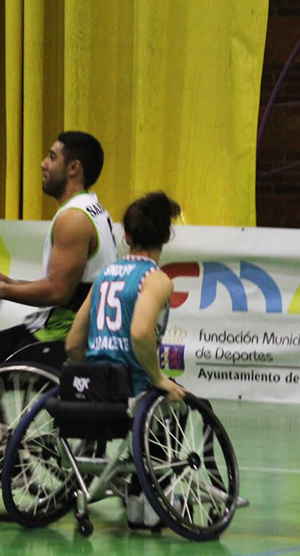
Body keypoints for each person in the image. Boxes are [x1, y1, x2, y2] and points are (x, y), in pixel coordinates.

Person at [0, 131, 118, 378]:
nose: (43, 164)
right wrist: (6, 282)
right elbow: (71, 286)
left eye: (52, 157)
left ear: (73, 168)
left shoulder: (73, 219)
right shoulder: (92, 208)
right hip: (78, 330)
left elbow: (58, 292)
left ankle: (1, 420)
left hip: (63, 336)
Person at [64, 191, 186, 530]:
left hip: (94, 391)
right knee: (176, 400)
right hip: (131, 391)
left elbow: (74, 341)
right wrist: (159, 378)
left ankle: (137, 495)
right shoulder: (157, 280)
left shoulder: (104, 276)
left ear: (126, 236)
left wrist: (93, 369)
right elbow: (140, 332)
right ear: (165, 237)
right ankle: (149, 500)